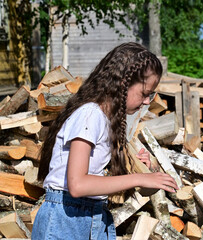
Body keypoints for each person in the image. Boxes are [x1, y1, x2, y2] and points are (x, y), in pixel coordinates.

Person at [31, 42, 179, 240]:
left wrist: (144, 170)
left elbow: (133, 188)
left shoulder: (108, 121)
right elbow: (78, 185)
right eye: (144, 94)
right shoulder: (89, 115)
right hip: (65, 222)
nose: (146, 102)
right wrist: (138, 178)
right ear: (121, 84)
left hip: (90, 217)